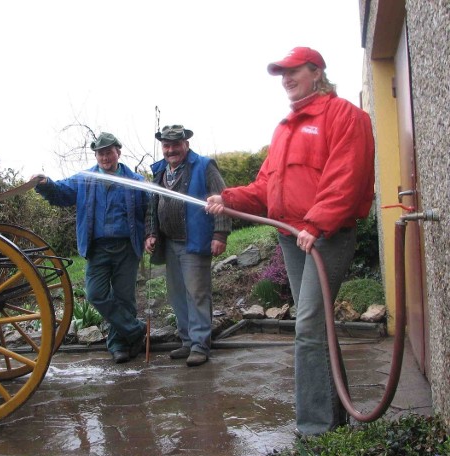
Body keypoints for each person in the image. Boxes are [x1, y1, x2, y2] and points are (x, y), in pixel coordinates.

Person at [206, 47, 375, 436]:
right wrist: (228, 199)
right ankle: (335, 418)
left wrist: (316, 224)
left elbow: (346, 177)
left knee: (310, 328)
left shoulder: (345, 116)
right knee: (316, 328)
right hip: (291, 238)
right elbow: (267, 185)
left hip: (324, 237)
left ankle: (315, 431)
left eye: (292, 71)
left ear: (316, 72)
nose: (285, 78)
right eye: (281, 73)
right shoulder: (285, 128)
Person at [32, 132, 148, 364]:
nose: (105, 157)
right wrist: (45, 184)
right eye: (101, 153)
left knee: (124, 298)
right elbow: (62, 193)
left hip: (127, 247)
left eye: (109, 152)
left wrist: (151, 235)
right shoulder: (85, 179)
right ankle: (135, 331)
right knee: (95, 294)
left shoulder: (136, 180)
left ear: (118, 152)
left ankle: (119, 345)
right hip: (97, 249)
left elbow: (149, 211)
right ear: (96, 155)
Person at [144, 125, 231, 367]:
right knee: (177, 294)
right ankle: (186, 341)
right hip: (169, 242)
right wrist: (151, 233)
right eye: (166, 145)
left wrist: (220, 234)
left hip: (195, 241)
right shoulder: (159, 171)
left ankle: (200, 344)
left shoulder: (204, 166)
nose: (171, 149)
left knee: (197, 293)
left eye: (175, 144)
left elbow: (223, 198)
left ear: (186, 144)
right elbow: (152, 206)